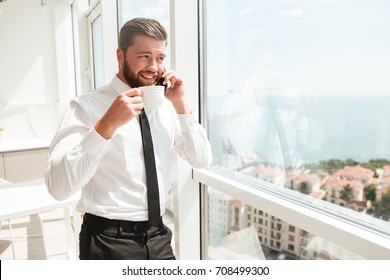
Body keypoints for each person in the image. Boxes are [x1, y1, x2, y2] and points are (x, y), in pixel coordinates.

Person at [44, 17, 212, 260]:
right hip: (107, 240)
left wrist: (181, 105)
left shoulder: (165, 106)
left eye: (160, 58)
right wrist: (106, 126)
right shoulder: (86, 106)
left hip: (159, 237)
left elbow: (201, 159)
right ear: (120, 56)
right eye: (144, 56)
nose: (154, 66)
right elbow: (58, 187)